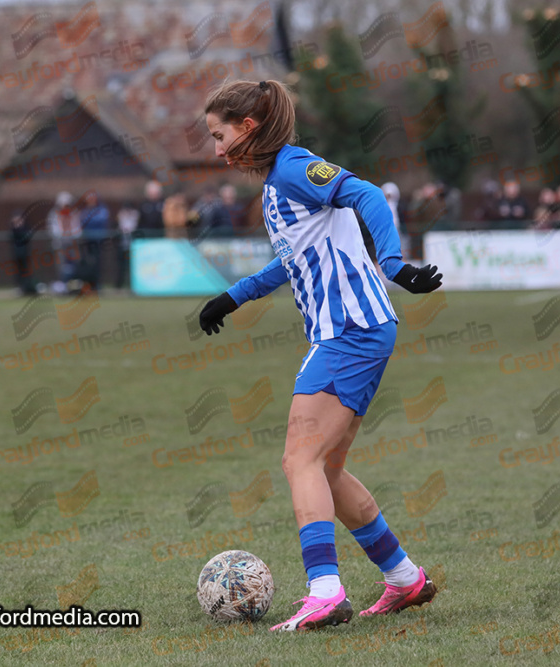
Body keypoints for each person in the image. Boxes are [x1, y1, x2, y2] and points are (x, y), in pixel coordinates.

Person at [198, 80, 442, 632]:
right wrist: (230, 298)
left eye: (219, 135)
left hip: (349, 331)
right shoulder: (275, 185)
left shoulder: (291, 168)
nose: (216, 150)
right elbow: (291, 262)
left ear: (249, 128)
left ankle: (325, 591)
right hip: (353, 331)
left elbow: (369, 195)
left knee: (299, 460)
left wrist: (395, 264)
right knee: (326, 467)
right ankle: (405, 579)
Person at [47, 191, 81, 293]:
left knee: (73, 266)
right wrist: (63, 236)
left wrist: (72, 235)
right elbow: (53, 229)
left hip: (72, 245)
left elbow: (77, 228)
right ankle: (62, 287)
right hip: (60, 245)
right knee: (61, 266)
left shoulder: (74, 213)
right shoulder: (54, 214)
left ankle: (72, 287)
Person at [79, 191, 110, 291]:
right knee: (86, 264)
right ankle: (87, 285)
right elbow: (82, 222)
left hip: (98, 241)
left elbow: (100, 221)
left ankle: (97, 285)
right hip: (86, 241)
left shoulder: (102, 210)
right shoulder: (84, 210)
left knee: (97, 264)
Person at [115, 201, 139, 289]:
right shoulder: (120, 216)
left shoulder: (135, 216)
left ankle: (133, 285)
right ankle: (119, 285)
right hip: (122, 245)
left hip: (133, 246)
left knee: (133, 266)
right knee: (121, 267)